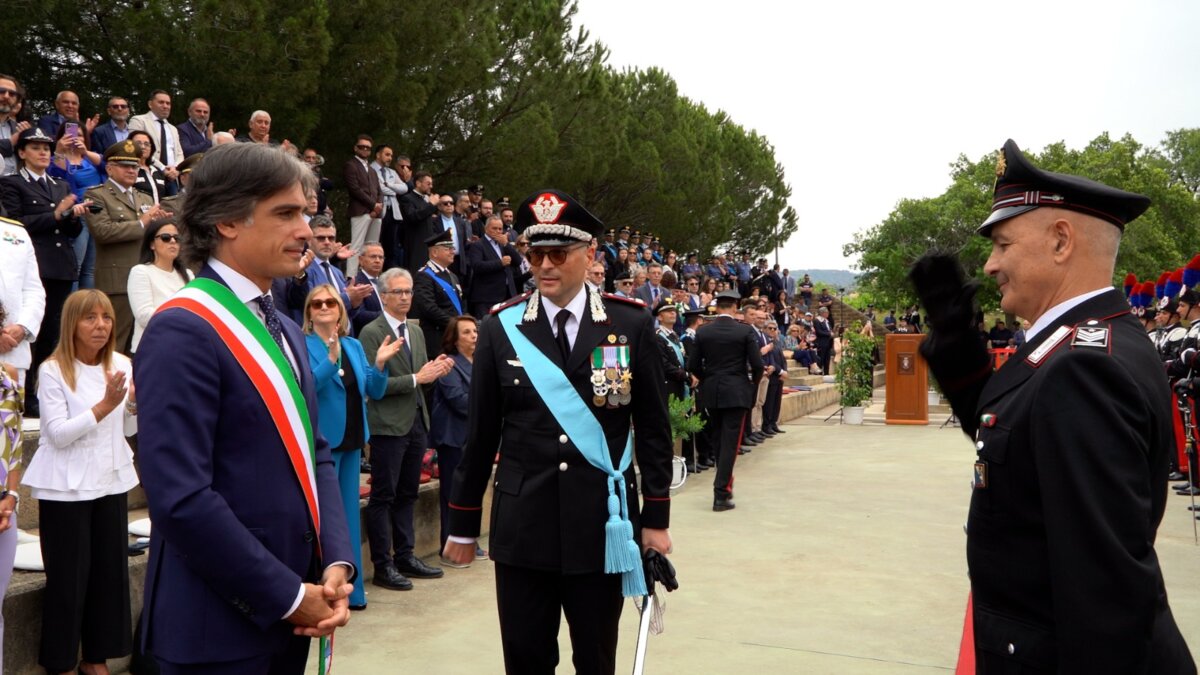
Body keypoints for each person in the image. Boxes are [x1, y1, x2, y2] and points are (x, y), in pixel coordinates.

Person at [910, 139, 1194, 672]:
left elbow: (1104, 603)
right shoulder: (1087, 343)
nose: (990, 264)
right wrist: (956, 342)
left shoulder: (1084, 369)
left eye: (1003, 244)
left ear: (1061, 241)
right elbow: (1011, 437)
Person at [134, 142, 357, 673]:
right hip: (217, 627)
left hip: (295, 611)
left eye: (304, 214)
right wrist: (287, 594)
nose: (305, 231)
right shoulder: (182, 328)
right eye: (286, 214)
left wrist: (336, 560)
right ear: (228, 221)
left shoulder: (285, 327)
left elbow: (315, 451)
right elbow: (181, 498)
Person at [443, 189, 674, 675]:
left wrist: (655, 519)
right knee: (526, 659)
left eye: (558, 254)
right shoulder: (501, 328)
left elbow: (654, 429)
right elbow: (480, 436)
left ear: (590, 254)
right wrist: (462, 523)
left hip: (602, 524)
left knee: (596, 658)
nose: (544, 266)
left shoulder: (629, 323)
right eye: (535, 255)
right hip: (523, 525)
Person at [22, 290, 138, 675]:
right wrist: (104, 406)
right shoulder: (53, 369)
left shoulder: (121, 364)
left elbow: (127, 428)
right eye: (90, 318)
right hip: (65, 486)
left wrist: (132, 404)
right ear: (72, 324)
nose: (101, 325)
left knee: (109, 574)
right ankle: (61, 663)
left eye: (106, 317)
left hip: (110, 478)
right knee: (68, 580)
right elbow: (56, 434)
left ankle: (96, 659)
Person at [358, 267, 453, 592]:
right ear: (383, 296)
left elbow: (422, 377)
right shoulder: (372, 332)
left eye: (408, 291)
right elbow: (375, 385)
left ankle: (405, 556)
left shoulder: (415, 331)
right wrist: (417, 378)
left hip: (415, 421)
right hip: (388, 425)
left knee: (408, 493)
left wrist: (435, 371)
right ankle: (383, 565)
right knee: (384, 495)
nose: (404, 297)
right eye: (397, 292)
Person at [304, 284, 398, 610]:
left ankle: (352, 592)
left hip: (354, 439)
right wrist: (330, 360)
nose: (324, 307)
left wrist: (380, 365)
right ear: (309, 312)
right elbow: (304, 389)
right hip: (323, 444)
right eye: (317, 303)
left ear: (340, 311)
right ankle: (323, 590)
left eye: (331, 302)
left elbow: (374, 389)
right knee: (325, 519)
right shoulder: (301, 345)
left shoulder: (353, 345)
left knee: (347, 518)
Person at [1, 127, 87, 415]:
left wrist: (72, 217)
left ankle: (42, 391)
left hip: (60, 265)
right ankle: (25, 394)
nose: (43, 153)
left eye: (47, 149)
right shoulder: (12, 183)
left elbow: (71, 231)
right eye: (36, 148)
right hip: (32, 265)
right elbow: (14, 223)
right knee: (30, 332)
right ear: (21, 153)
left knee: (51, 334)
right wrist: (55, 214)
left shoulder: (60, 184)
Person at [84, 140, 167, 353]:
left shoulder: (144, 197)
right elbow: (103, 232)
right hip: (118, 280)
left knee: (144, 341)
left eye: (135, 166)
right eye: (125, 166)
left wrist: (161, 224)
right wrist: (142, 223)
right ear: (109, 168)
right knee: (115, 342)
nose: (131, 170)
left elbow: (151, 234)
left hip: (146, 278)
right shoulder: (96, 195)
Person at [689, 289, 763, 511]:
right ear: (734, 307)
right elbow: (757, 365)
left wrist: (708, 379)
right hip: (737, 391)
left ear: (716, 308)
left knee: (719, 440)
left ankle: (723, 486)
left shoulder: (704, 331)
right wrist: (752, 385)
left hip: (712, 391)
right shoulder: (744, 331)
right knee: (730, 444)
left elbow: (693, 365)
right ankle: (721, 493)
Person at [429, 315, 487, 566]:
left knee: (470, 492)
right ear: (454, 339)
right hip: (453, 438)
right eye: (466, 332)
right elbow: (459, 401)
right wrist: (490, 402)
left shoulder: (480, 362)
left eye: (475, 331)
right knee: (452, 494)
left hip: (473, 438)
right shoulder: (449, 364)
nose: (473, 336)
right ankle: (449, 547)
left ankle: (468, 541)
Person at [49, 118, 104, 290]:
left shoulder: (90, 158)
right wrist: (59, 151)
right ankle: (72, 305)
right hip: (77, 215)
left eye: (80, 135)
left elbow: (108, 165)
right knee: (76, 266)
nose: (75, 138)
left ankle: (86, 304)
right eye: (70, 135)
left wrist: (85, 152)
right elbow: (57, 179)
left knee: (90, 269)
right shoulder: (57, 159)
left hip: (97, 215)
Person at [126, 219, 193, 352]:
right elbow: (144, 316)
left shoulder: (188, 274)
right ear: (152, 244)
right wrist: (182, 318)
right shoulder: (141, 271)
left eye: (177, 238)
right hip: (151, 348)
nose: (172, 241)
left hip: (183, 347)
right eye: (165, 237)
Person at [411, 228, 465, 359]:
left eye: (452, 248)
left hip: (453, 335)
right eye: (448, 248)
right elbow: (428, 307)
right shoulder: (424, 275)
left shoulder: (452, 276)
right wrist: (454, 323)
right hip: (437, 338)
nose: (452, 251)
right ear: (434, 252)